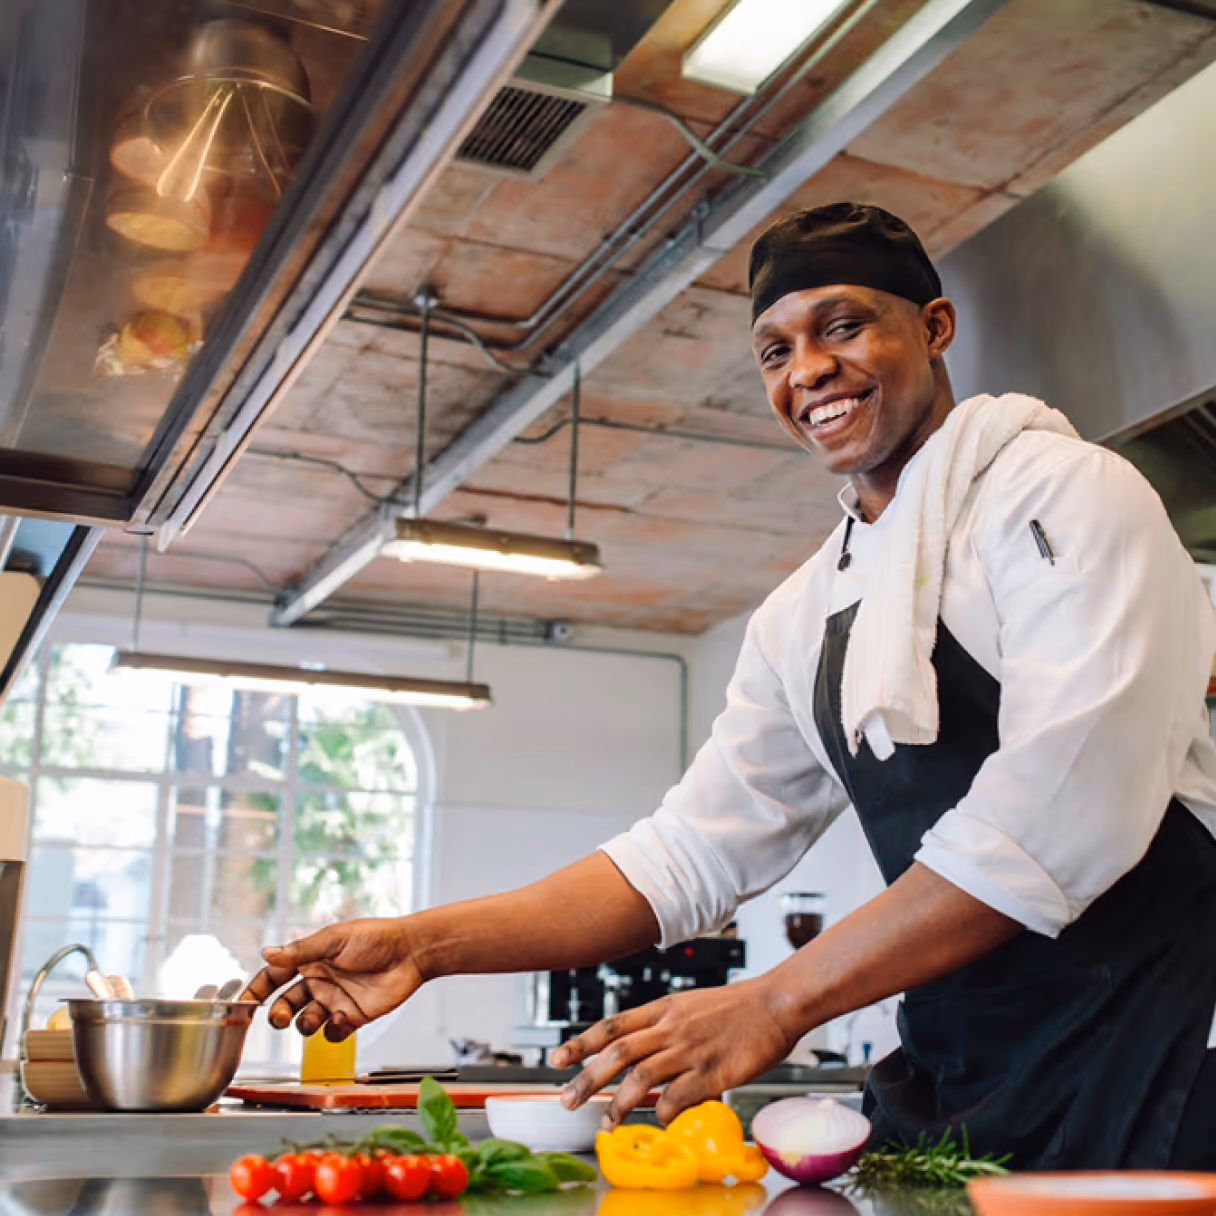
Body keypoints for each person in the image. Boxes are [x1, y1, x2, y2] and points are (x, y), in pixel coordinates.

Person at [244, 203, 1216, 1170]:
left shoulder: (1061, 494)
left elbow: (1060, 810)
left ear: (934, 326)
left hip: (1167, 1045)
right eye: (774, 350)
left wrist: (776, 999)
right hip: (974, 1063)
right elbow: (686, 854)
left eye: (842, 325)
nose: (807, 371)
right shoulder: (805, 612)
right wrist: (428, 945)